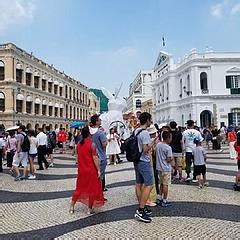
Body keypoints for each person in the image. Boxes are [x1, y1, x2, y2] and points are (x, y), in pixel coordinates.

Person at [69, 126, 104, 214]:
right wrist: (99, 170)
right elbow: (95, 158)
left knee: (79, 188)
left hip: (81, 170)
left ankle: (71, 206)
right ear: (89, 134)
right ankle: (89, 209)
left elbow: (77, 157)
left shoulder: (79, 145)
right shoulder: (92, 145)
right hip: (91, 170)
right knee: (91, 190)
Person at [133, 112, 157, 223]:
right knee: (149, 185)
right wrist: (153, 143)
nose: (150, 121)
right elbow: (146, 149)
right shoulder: (145, 133)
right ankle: (141, 210)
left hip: (137, 161)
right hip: (144, 161)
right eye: (150, 119)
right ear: (147, 120)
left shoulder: (136, 131)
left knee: (139, 184)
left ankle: (142, 206)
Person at [89, 115, 108, 193]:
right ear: (96, 122)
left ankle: (93, 189)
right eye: (99, 120)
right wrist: (106, 141)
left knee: (94, 174)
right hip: (101, 156)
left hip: (91, 156)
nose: (100, 121)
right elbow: (104, 144)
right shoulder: (100, 132)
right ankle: (100, 191)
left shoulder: (89, 132)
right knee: (101, 174)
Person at [156, 131, 173, 207]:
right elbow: (169, 159)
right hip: (166, 168)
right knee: (166, 184)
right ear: (168, 138)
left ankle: (159, 197)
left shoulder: (158, 145)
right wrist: (171, 159)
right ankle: (165, 200)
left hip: (159, 167)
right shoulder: (168, 148)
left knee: (161, 183)